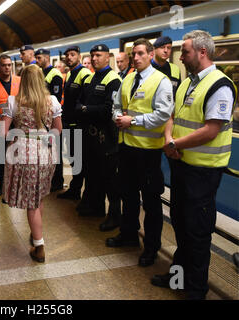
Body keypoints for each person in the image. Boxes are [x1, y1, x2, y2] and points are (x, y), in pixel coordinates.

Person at [152, 30, 237, 300]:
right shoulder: (188, 83)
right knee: (180, 224)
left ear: (202, 52)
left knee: (197, 232)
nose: (181, 57)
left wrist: (175, 145)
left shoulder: (219, 85)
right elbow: (173, 116)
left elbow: (211, 130)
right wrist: (168, 138)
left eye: (185, 52)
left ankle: (196, 290)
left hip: (203, 171)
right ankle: (178, 277)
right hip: (182, 166)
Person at [107, 38, 174, 268]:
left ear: (151, 54)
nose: (135, 58)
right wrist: (116, 116)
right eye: (133, 54)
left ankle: (152, 248)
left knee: (151, 203)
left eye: (140, 54)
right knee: (128, 194)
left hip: (148, 153)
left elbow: (163, 114)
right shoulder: (128, 79)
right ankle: (129, 235)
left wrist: (132, 120)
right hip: (126, 148)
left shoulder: (161, 81)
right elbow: (116, 103)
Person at [2, 64, 62, 262]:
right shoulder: (52, 101)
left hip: (23, 153)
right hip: (45, 151)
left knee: (31, 201)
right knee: (40, 195)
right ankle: (36, 231)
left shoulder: (13, 102)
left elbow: (3, 132)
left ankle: (39, 245)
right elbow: (57, 129)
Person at [76, 44, 122, 231]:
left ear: (107, 57)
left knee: (110, 179)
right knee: (93, 174)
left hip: (106, 138)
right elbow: (79, 102)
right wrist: (85, 109)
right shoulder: (92, 77)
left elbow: (107, 110)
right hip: (91, 136)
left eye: (98, 55)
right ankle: (96, 207)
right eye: (92, 55)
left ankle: (115, 216)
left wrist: (86, 109)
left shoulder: (114, 80)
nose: (94, 59)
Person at [57, 46, 92, 201]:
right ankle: (75, 188)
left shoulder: (84, 74)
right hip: (68, 122)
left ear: (79, 56)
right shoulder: (70, 73)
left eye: (72, 55)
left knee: (79, 160)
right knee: (72, 158)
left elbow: (86, 99)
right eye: (67, 55)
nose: (69, 57)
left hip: (78, 124)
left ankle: (78, 191)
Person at [0, 54, 21, 196]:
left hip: (17, 126)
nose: (7, 68)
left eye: (9, 65)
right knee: (0, 158)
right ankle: (0, 185)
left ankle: (14, 184)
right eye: (4, 65)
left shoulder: (19, 81)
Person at [35, 48, 64, 191]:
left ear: (47, 57)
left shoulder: (55, 74)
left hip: (52, 120)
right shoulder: (40, 73)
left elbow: (56, 98)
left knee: (55, 152)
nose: (37, 60)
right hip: (43, 120)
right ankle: (50, 179)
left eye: (39, 58)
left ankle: (57, 181)